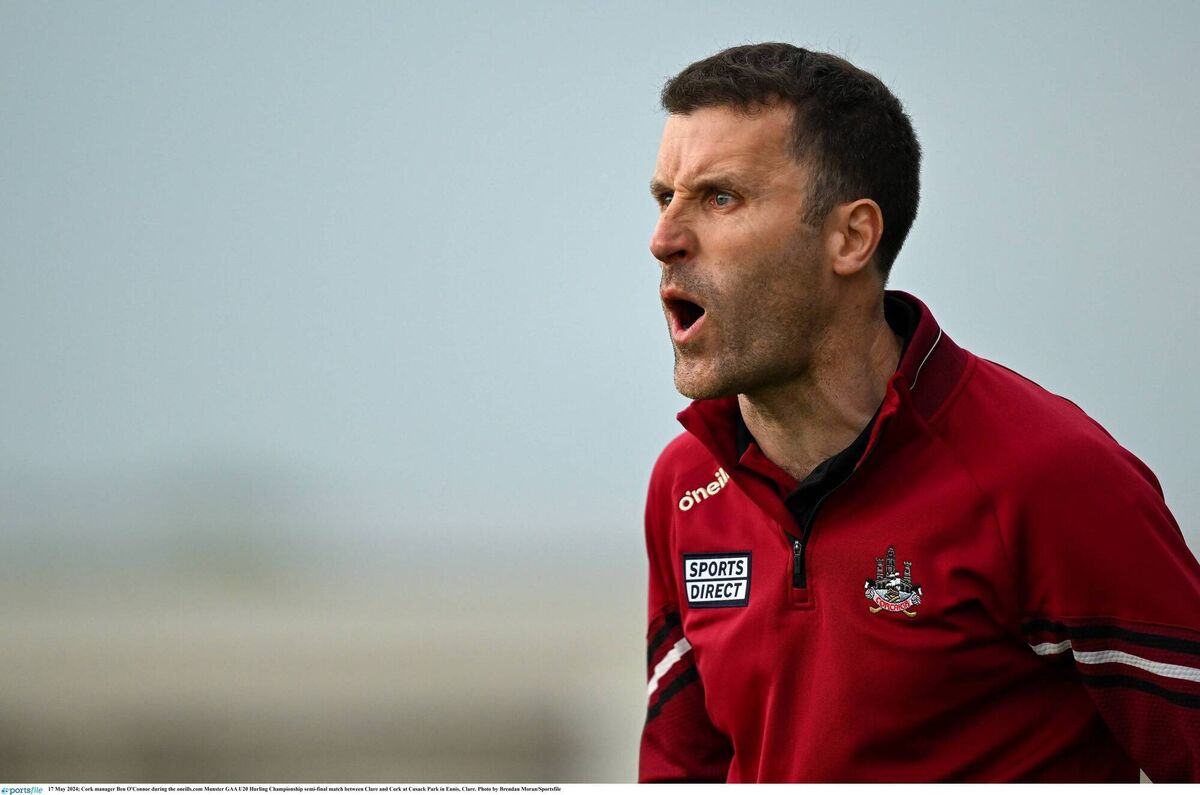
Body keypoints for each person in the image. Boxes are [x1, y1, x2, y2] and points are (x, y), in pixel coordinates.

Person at [639, 42, 1200, 783]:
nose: (663, 240)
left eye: (720, 198)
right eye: (664, 197)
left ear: (851, 237)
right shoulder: (687, 485)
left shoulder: (1053, 476)